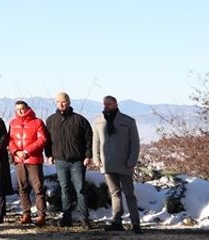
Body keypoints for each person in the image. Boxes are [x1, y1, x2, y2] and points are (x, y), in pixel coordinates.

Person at [92, 96, 141, 234]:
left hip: (125, 163)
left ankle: (135, 222)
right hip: (107, 163)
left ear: (115, 104)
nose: (106, 106)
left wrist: (132, 160)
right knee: (114, 193)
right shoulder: (98, 121)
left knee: (129, 194)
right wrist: (96, 158)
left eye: (109, 103)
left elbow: (135, 143)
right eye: (104, 104)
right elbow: (95, 142)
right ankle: (116, 221)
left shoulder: (128, 121)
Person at [46, 91, 93, 228]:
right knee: (64, 189)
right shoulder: (51, 120)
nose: (61, 104)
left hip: (78, 161)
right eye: (58, 102)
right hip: (60, 161)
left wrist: (88, 155)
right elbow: (47, 141)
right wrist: (48, 155)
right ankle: (66, 216)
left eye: (64, 101)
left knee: (80, 190)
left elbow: (89, 139)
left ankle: (84, 218)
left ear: (69, 103)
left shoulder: (79, 120)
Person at [8, 100, 48, 225]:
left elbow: (42, 139)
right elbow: (10, 139)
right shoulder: (13, 123)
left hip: (33, 159)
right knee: (22, 188)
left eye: (22, 108)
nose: (20, 111)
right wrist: (16, 151)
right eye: (17, 109)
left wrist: (27, 151)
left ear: (27, 108)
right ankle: (26, 214)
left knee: (38, 188)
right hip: (19, 160)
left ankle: (41, 215)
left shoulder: (37, 122)